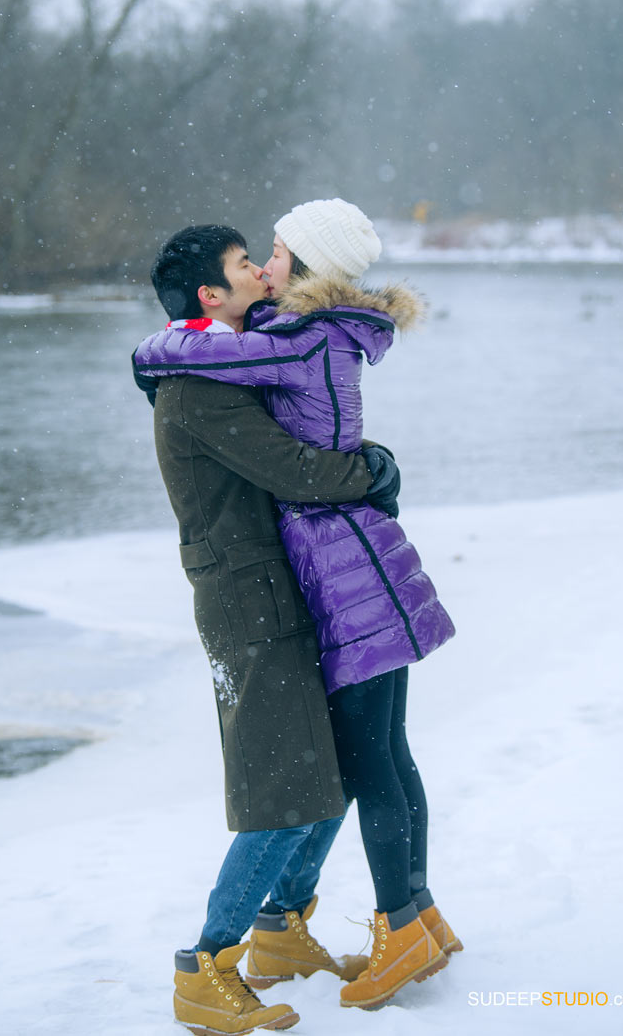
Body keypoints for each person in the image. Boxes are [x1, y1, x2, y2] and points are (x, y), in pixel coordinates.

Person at [134, 199, 462, 1011]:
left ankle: (313, 922)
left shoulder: (277, 344)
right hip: (267, 594)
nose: (261, 268)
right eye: (250, 261)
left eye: (271, 254)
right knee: (306, 777)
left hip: (322, 578)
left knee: (351, 762)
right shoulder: (205, 381)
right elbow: (306, 471)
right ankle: (215, 958)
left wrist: (370, 463)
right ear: (213, 296)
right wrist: (374, 468)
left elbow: (309, 440)